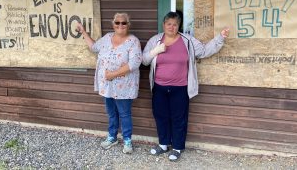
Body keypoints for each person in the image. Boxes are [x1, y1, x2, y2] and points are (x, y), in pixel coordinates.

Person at [142, 11, 229, 161]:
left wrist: (220, 38)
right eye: (168, 24)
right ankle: (163, 144)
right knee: (161, 116)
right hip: (159, 87)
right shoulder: (155, 40)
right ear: (164, 25)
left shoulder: (187, 40)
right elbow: (144, 61)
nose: (171, 27)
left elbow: (204, 51)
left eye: (175, 24)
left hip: (180, 87)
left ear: (179, 26)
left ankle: (176, 147)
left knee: (179, 118)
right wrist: (156, 51)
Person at [76, 13, 142, 154]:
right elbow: (94, 47)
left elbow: (135, 63)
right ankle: (112, 137)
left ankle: (127, 140)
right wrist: (83, 31)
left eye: (123, 23)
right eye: (117, 22)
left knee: (124, 114)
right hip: (107, 86)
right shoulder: (107, 38)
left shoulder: (133, 41)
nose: (120, 25)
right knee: (112, 113)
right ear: (113, 24)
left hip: (124, 86)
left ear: (128, 25)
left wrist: (112, 74)